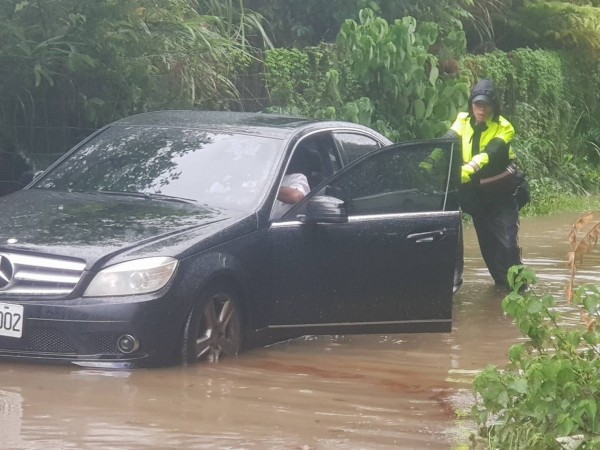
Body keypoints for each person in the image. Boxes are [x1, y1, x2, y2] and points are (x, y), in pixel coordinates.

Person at [445, 79, 524, 289]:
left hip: (501, 194)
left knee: (507, 243)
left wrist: (464, 171)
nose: (481, 109)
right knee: (488, 247)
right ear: (471, 104)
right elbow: (446, 143)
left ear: (494, 106)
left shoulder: (504, 127)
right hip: (476, 196)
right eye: (477, 104)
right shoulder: (462, 120)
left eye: (486, 104)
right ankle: (502, 289)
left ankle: (520, 289)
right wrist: (429, 163)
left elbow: (489, 154)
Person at [272, 152, 310, 218]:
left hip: (282, 225)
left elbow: (296, 196)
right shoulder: (257, 180)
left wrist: (267, 189)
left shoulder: (296, 178)